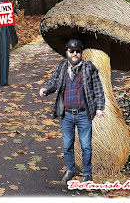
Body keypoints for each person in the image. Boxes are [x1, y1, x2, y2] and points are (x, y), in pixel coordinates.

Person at [39, 39, 105, 183]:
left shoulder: (89, 68)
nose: (74, 54)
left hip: (83, 114)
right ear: (67, 52)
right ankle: (70, 170)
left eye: (77, 51)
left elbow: (98, 89)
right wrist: (46, 89)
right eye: (71, 51)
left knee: (86, 146)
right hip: (67, 114)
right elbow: (54, 82)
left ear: (81, 53)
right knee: (68, 145)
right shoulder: (62, 66)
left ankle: (87, 173)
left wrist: (99, 108)